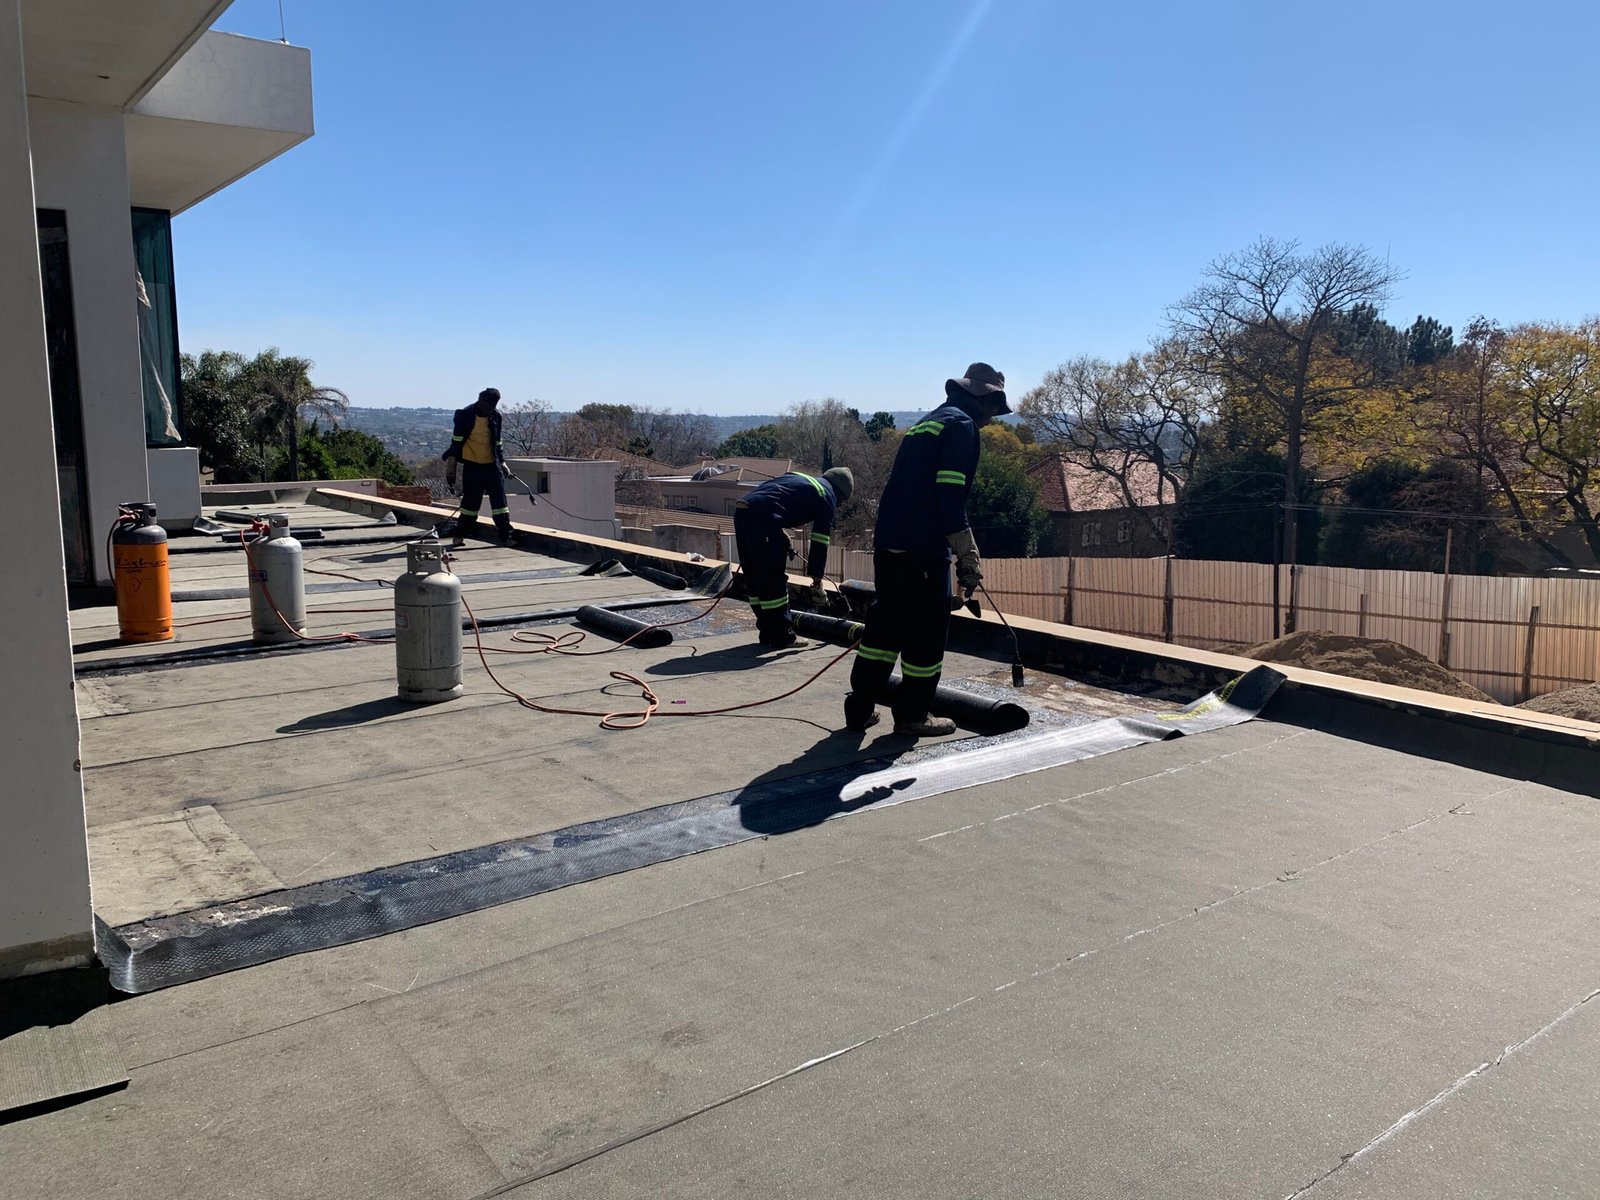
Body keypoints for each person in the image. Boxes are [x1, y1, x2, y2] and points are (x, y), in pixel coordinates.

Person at [844, 363, 1009, 736]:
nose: (991, 421)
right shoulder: (962, 427)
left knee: (885, 628)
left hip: (889, 544)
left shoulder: (925, 424)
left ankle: (859, 708)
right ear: (985, 400)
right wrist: (967, 553)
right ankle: (913, 715)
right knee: (925, 634)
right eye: (994, 410)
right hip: (922, 549)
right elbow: (949, 496)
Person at [734, 467, 854, 648]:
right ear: (840, 493)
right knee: (773, 579)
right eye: (842, 501)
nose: (839, 505)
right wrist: (816, 578)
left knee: (755, 577)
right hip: (764, 519)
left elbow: (775, 499)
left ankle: (768, 632)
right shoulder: (827, 496)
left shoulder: (802, 479)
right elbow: (820, 541)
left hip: (743, 511)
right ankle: (783, 636)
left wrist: (778, 532)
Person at [441, 387, 521, 548]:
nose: (489, 410)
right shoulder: (464, 415)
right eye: (487, 406)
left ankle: (506, 535)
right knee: (470, 506)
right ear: (480, 400)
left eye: (492, 407)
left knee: (500, 505)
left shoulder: (496, 417)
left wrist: (502, 463)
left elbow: (497, 443)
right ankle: (459, 534)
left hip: (492, 467)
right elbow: (456, 444)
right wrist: (451, 470)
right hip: (473, 467)